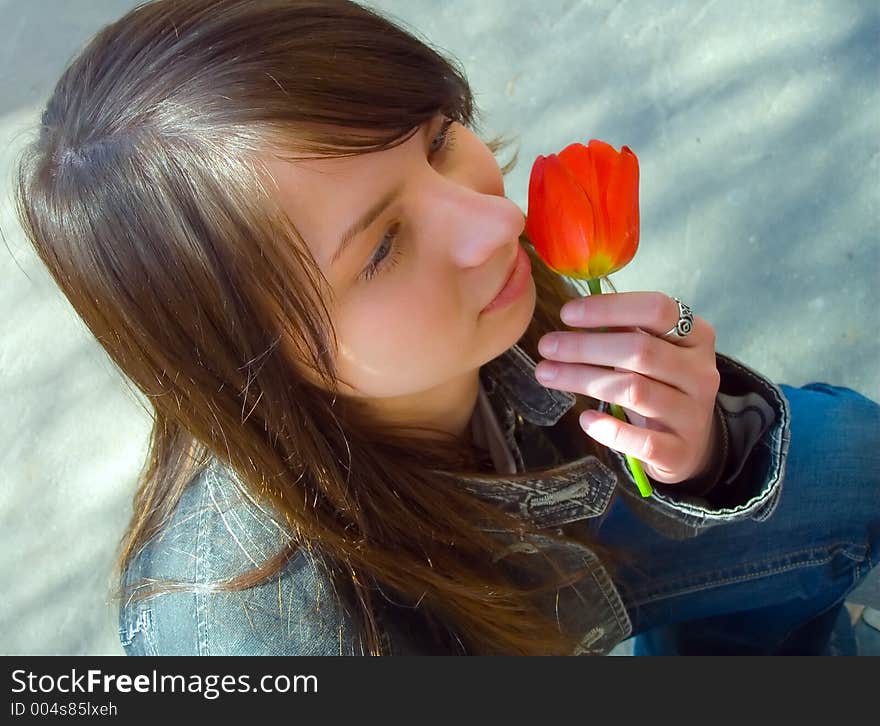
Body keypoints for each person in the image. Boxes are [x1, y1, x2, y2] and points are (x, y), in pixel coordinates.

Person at [16, 0, 878, 656]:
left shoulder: (491, 305)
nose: (492, 223)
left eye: (436, 141)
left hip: (572, 513)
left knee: (852, 464)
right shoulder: (262, 634)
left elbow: (718, 462)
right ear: (245, 358)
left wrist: (708, 450)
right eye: (384, 245)